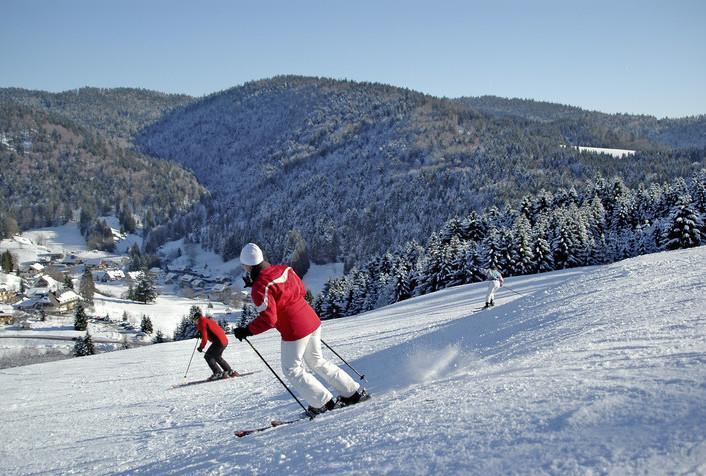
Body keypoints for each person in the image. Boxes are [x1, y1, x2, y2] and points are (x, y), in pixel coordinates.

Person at [232, 242, 369, 415]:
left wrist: (247, 330)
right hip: (311, 320)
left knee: (292, 369)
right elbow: (302, 291)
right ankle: (352, 392)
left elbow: (269, 319)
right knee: (317, 361)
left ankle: (323, 403)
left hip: (294, 330)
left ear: (247, 265)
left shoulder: (260, 287)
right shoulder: (284, 269)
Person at [194, 311, 239, 380]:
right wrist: (201, 333)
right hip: (224, 340)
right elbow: (212, 329)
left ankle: (218, 373)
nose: (195, 322)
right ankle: (229, 371)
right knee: (217, 356)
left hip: (218, 342)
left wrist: (201, 347)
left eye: (194, 320)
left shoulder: (201, 322)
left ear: (197, 318)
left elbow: (205, 338)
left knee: (208, 356)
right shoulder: (207, 320)